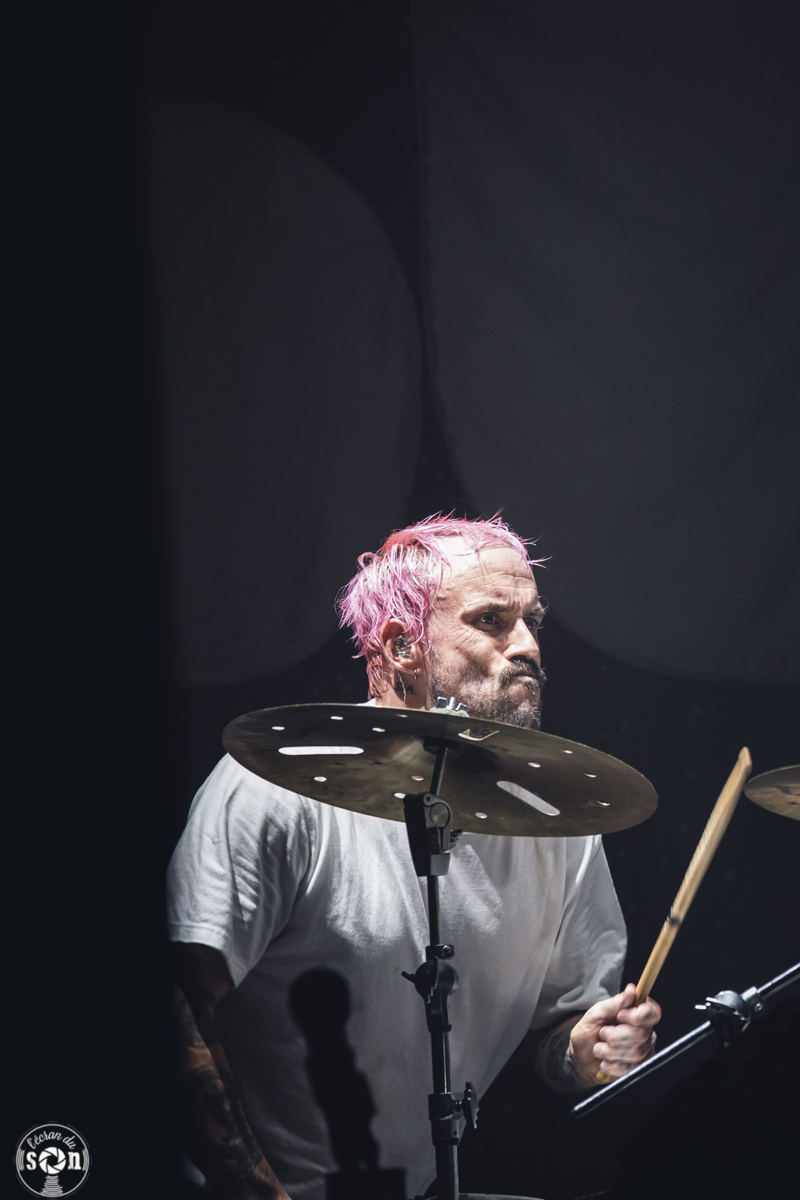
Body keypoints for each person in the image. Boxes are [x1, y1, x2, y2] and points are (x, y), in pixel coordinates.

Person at [168, 515, 661, 1200]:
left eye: (533, 621)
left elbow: (559, 1037)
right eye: (491, 621)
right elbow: (178, 1005)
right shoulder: (275, 790)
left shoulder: (560, 822)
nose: (528, 647)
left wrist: (584, 1052)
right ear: (403, 646)